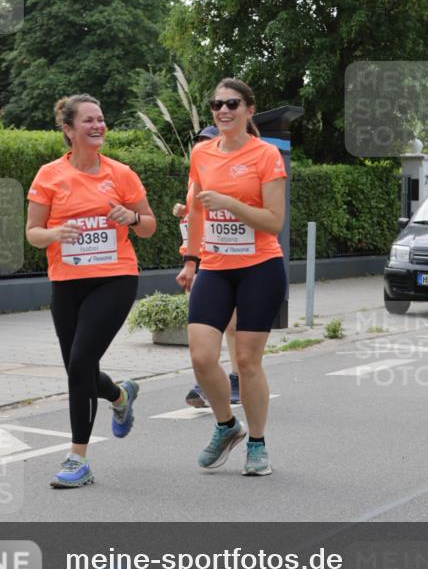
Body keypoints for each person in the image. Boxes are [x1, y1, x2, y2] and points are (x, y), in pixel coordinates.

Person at [26, 94, 156, 488]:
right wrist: (55, 233)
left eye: (101, 119)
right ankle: (119, 394)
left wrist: (131, 217)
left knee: (81, 360)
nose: (98, 125)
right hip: (66, 281)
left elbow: (149, 225)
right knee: (77, 368)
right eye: (88, 120)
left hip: (115, 277)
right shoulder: (49, 175)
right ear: (68, 129)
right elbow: (33, 233)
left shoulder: (121, 174)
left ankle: (77, 458)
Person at [177, 78, 287, 476]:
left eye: (232, 104)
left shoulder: (266, 156)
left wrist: (231, 203)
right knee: (201, 356)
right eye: (216, 104)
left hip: (259, 267)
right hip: (215, 267)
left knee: (246, 360)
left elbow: (273, 222)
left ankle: (257, 444)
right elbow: (196, 210)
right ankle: (226, 426)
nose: (223, 110)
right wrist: (191, 259)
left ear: (249, 110)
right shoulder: (202, 153)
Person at [173, 126, 240, 409]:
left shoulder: (231, 173)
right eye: (198, 142)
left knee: (233, 326)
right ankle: (205, 384)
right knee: (203, 328)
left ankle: (237, 379)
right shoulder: (195, 176)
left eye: (207, 141)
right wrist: (183, 211)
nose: (201, 147)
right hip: (200, 262)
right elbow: (196, 217)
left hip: (230, 262)